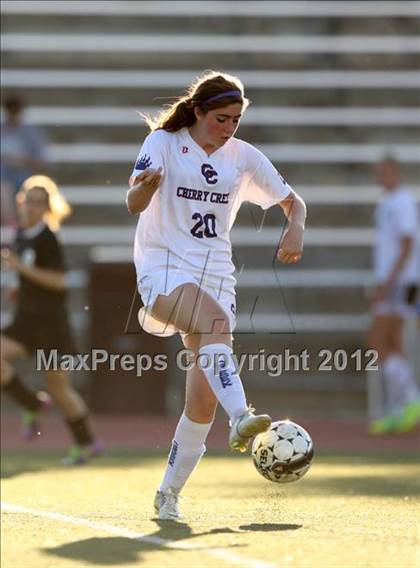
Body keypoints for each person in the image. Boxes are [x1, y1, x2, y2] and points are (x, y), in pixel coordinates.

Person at [126, 71, 306, 520]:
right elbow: (132, 203)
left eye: (236, 120)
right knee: (215, 325)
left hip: (217, 275)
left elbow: (293, 202)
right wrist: (144, 189)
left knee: (201, 403)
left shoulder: (243, 157)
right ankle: (242, 416)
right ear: (199, 112)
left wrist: (295, 227)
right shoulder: (164, 144)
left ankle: (168, 495)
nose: (229, 128)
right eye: (221, 118)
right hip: (163, 266)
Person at [1, 175, 101, 465]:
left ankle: (87, 443)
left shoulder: (48, 237)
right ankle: (32, 403)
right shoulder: (22, 234)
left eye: (38, 203)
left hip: (50, 327)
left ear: (47, 208)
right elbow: (33, 273)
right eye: (27, 201)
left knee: (58, 387)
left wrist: (22, 270)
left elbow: (58, 282)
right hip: (25, 322)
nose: (31, 207)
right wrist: (19, 288)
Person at [367, 157, 420, 435]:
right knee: (394, 343)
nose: (382, 176)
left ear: (396, 172)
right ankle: (401, 407)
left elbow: (408, 243)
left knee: (376, 341)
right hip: (397, 282)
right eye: (379, 171)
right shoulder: (387, 202)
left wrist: (386, 283)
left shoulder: (401, 202)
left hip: (400, 283)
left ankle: (411, 399)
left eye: (386, 171)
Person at [1, 94, 49, 227]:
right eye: (10, 111)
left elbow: (42, 162)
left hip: (25, 179)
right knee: (3, 191)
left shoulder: (31, 133)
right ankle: (11, 225)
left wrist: (20, 161)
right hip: (4, 181)